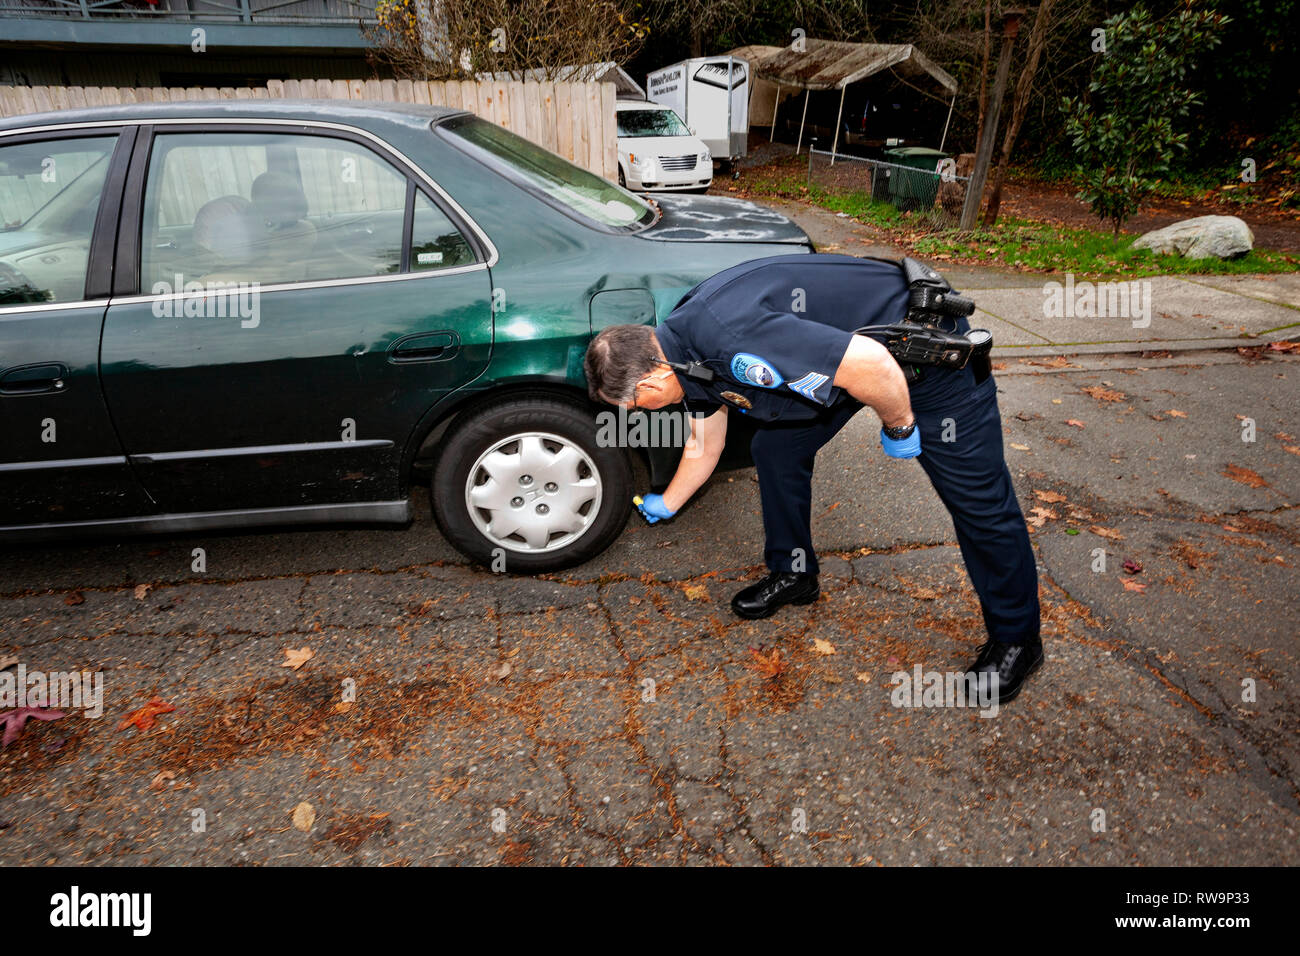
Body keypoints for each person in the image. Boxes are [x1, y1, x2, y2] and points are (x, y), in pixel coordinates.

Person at [583, 253, 1043, 702]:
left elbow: (873, 366)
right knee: (776, 448)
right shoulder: (679, 353)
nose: (645, 413)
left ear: (648, 384)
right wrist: (669, 500)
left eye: (638, 406)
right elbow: (706, 442)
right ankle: (795, 572)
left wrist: (900, 425)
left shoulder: (729, 339)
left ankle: (1017, 641)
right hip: (850, 352)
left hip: (924, 352)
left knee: (980, 502)